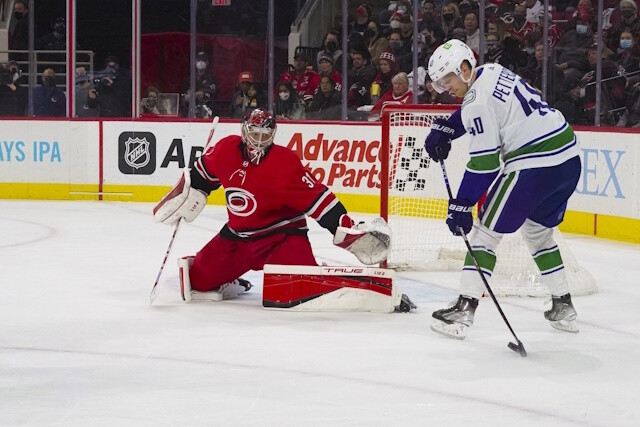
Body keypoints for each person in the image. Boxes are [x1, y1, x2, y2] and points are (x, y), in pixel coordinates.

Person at [424, 39, 582, 339]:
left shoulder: (475, 101)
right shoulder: (492, 71)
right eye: (441, 84)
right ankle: (563, 304)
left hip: (534, 165)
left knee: (485, 232)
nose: (447, 89)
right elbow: (483, 108)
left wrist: (462, 203)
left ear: (465, 68)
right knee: (537, 232)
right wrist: (447, 128)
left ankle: (464, 309)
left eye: (448, 80)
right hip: (568, 159)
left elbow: (485, 162)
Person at [153, 109, 392, 303]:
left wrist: (344, 227)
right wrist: (189, 195)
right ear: (244, 130)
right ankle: (232, 280)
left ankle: (322, 273)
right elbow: (202, 176)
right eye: (254, 132)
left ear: (273, 133)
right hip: (236, 238)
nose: (258, 139)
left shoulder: (285, 163)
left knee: (300, 289)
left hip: (279, 238)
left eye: (264, 133)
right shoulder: (226, 149)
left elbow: (319, 201)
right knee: (196, 283)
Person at [181, 51, 217, 118]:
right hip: (190, 114)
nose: (201, 62)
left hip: (207, 113)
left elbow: (214, 95)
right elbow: (183, 98)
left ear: (207, 62)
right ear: (195, 62)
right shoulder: (189, 79)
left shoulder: (212, 79)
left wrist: (201, 93)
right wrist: (192, 95)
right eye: (199, 60)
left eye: (203, 60)